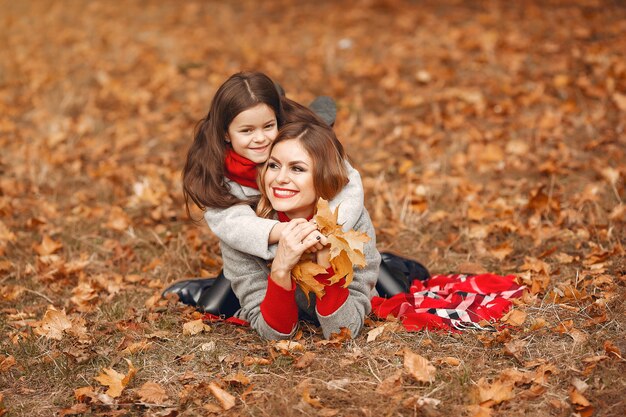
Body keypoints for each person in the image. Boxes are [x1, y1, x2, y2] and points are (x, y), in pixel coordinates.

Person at [163, 71, 429, 316]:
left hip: (316, 234)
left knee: (397, 296)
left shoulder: (301, 144)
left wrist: (324, 229)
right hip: (260, 249)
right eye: (247, 131)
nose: (260, 139)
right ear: (225, 134)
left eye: (268, 127)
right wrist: (281, 234)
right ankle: (207, 287)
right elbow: (233, 225)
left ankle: (393, 265)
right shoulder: (215, 169)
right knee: (213, 308)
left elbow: (349, 185)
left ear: (278, 121)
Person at [224, 121, 380, 339]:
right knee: (215, 300)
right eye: (273, 165)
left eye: (297, 168)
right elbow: (273, 334)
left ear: (322, 176)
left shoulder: (353, 220)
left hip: (370, 275)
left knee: (400, 277)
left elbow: (344, 331)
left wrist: (326, 262)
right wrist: (280, 269)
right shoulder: (243, 229)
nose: (280, 179)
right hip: (242, 284)